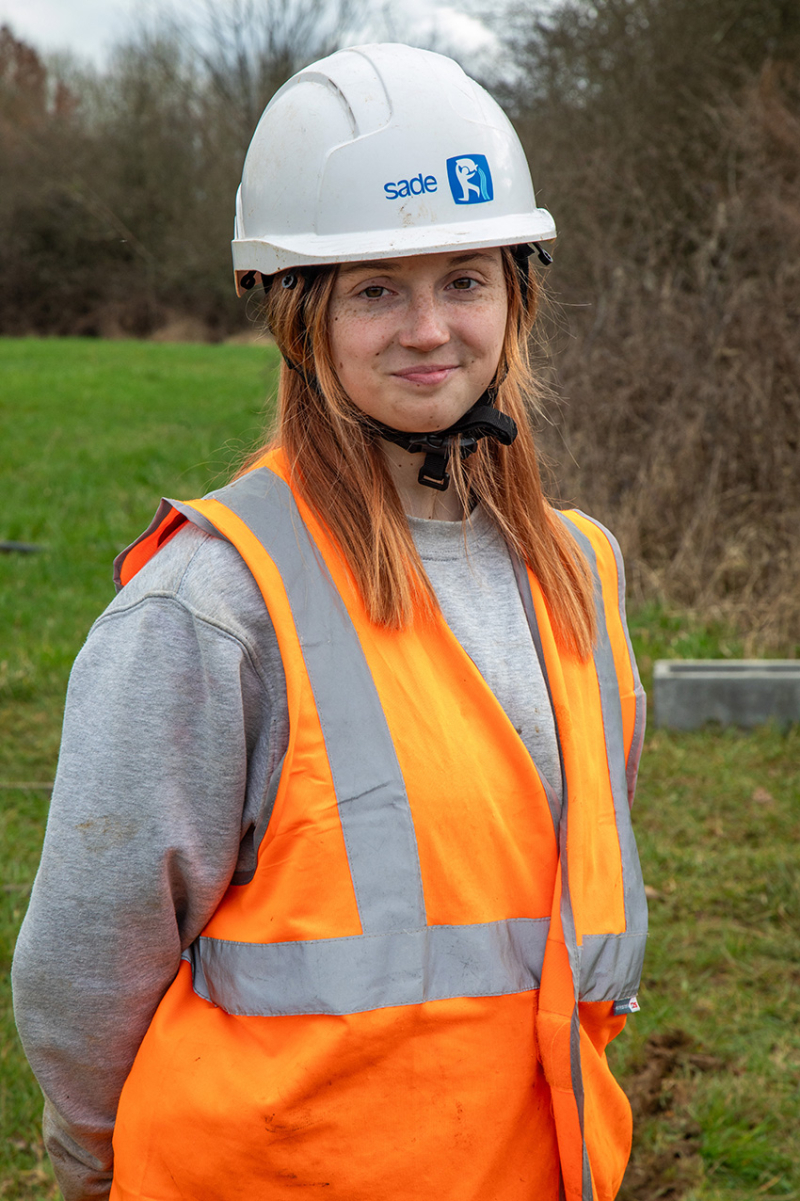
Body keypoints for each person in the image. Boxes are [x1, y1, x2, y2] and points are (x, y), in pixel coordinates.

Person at [12, 42, 647, 1201]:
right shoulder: (212, 603)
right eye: (374, 290)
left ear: (516, 292)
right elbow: (83, 964)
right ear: (300, 316)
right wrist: (90, 1165)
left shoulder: (577, 573)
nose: (428, 329)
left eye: (463, 278)